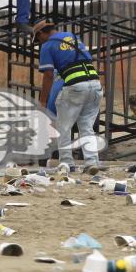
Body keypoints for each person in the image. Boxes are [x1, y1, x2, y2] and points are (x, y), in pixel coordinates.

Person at [33, 19, 103, 169]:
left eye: (38, 39)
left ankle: (66, 163)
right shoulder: (73, 37)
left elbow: (49, 75)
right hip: (95, 84)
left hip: (75, 86)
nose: (39, 42)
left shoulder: (47, 46)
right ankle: (91, 163)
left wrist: (43, 102)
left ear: (40, 34)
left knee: (63, 126)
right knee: (86, 126)